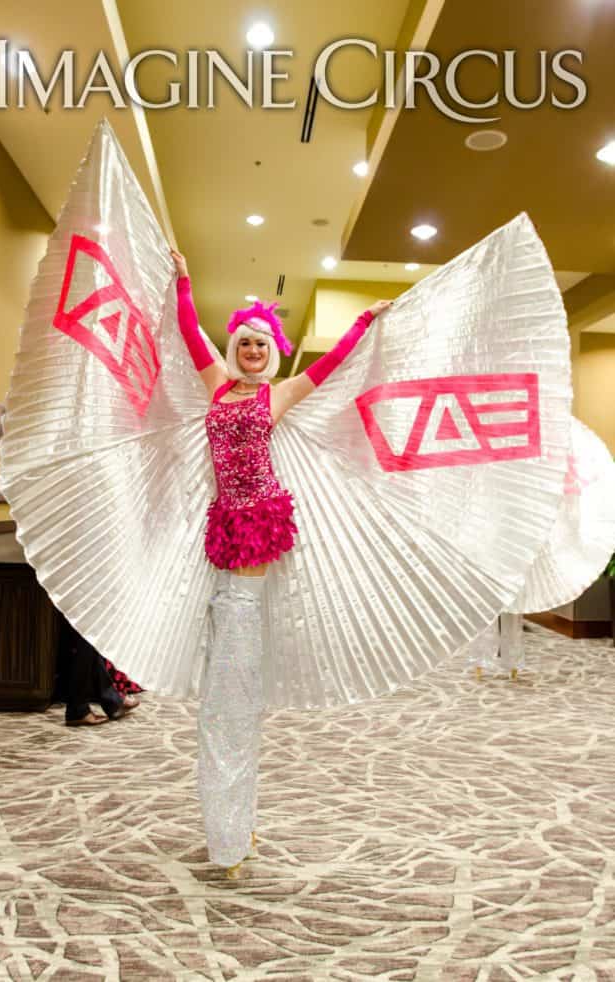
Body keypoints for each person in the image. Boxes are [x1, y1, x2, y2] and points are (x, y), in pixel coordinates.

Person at [170, 248, 390, 877]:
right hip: (221, 521)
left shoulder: (280, 395)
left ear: (273, 352)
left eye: (264, 346)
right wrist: (184, 279)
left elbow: (333, 363)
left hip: (259, 518)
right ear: (236, 347)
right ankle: (230, 821)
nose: (253, 352)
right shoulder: (217, 387)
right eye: (245, 344)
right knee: (225, 636)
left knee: (236, 637)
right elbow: (190, 333)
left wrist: (364, 322)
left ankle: (233, 826)